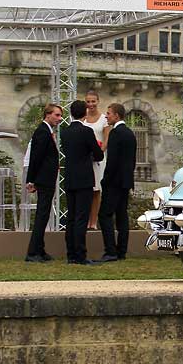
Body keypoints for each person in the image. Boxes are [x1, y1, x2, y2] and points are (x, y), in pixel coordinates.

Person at [61, 100, 104, 265]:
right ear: (85, 113)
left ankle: (70, 253)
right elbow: (98, 154)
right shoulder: (87, 131)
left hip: (70, 177)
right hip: (84, 178)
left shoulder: (65, 132)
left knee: (71, 217)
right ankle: (80, 254)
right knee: (81, 217)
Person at [97, 103, 136, 262]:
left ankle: (110, 251)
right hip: (125, 182)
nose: (106, 116)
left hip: (113, 182)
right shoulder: (130, 134)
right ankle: (121, 251)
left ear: (117, 116)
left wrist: (105, 180)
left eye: (109, 113)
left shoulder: (115, 134)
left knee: (104, 215)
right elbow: (131, 161)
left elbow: (112, 161)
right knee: (122, 216)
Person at [24, 103, 63, 262]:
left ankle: (39, 249)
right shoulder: (42, 132)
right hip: (43, 179)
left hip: (46, 178)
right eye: (57, 115)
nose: (60, 119)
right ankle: (33, 252)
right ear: (48, 115)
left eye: (60, 115)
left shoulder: (46, 131)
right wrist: (31, 180)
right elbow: (36, 157)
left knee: (44, 214)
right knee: (42, 214)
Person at [82, 90, 110, 230]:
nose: (91, 104)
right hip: (84, 160)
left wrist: (98, 154)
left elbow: (106, 140)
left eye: (93, 101)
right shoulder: (83, 119)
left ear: (98, 101)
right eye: (88, 101)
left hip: (98, 160)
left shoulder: (104, 119)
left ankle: (93, 222)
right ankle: (84, 220)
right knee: (85, 190)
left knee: (96, 190)